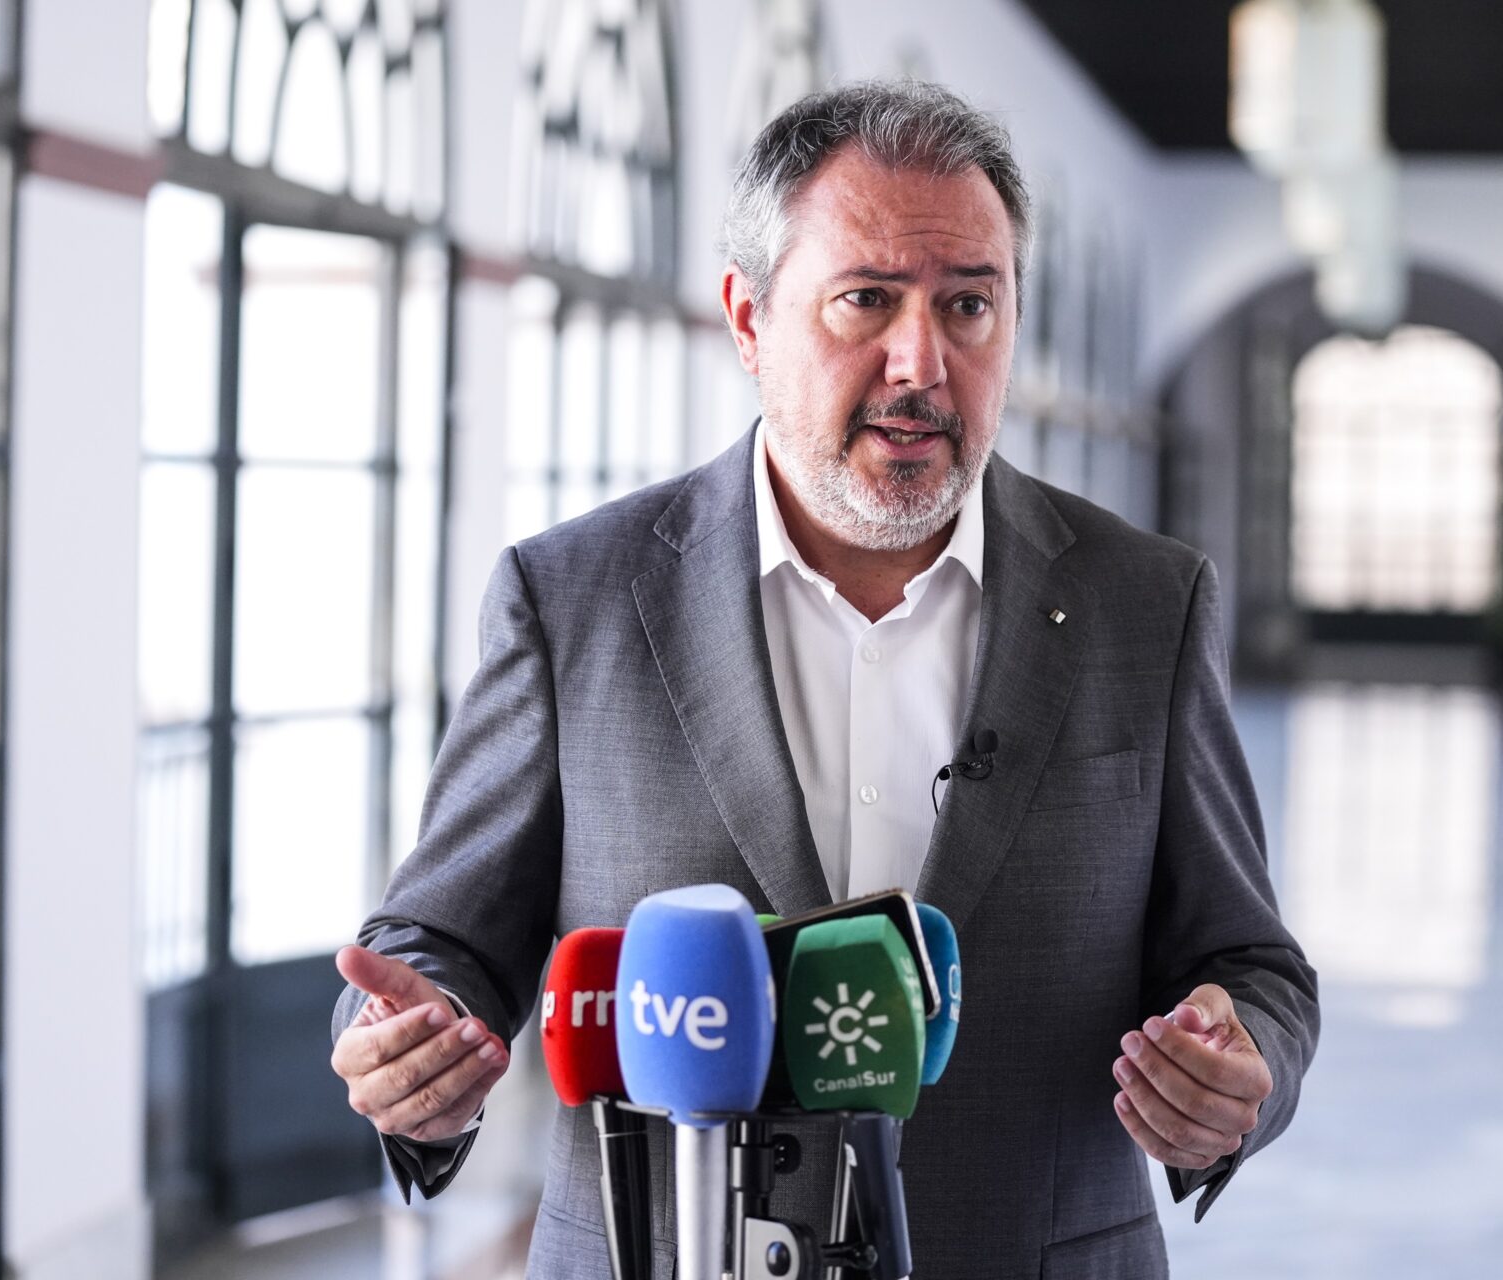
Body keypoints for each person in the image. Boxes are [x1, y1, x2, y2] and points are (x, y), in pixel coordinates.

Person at [329, 79, 1318, 1279]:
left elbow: (1252, 962)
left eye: (969, 304)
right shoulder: (573, 597)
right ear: (749, 318)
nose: (923, 361)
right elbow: (436, 942)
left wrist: (1238, 1063)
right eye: (867, 299)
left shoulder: (1144, 603)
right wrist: (412, 1047)